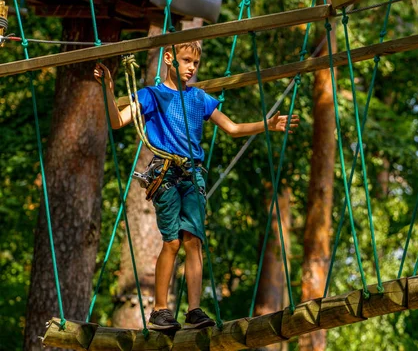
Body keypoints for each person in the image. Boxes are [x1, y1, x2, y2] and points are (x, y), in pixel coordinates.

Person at [94, 41, 299, 330]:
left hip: (192, 175)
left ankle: (193, 309)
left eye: (196, 63)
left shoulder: (200, 99)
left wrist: (266, 124)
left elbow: (232, 128)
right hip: (165, 175)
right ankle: (161, 309)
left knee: (194, 240)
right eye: (186, 60)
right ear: (168, 59)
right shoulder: (151, 95)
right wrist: (109, 89)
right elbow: (117, 123)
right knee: (173, 241)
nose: (191, 68)